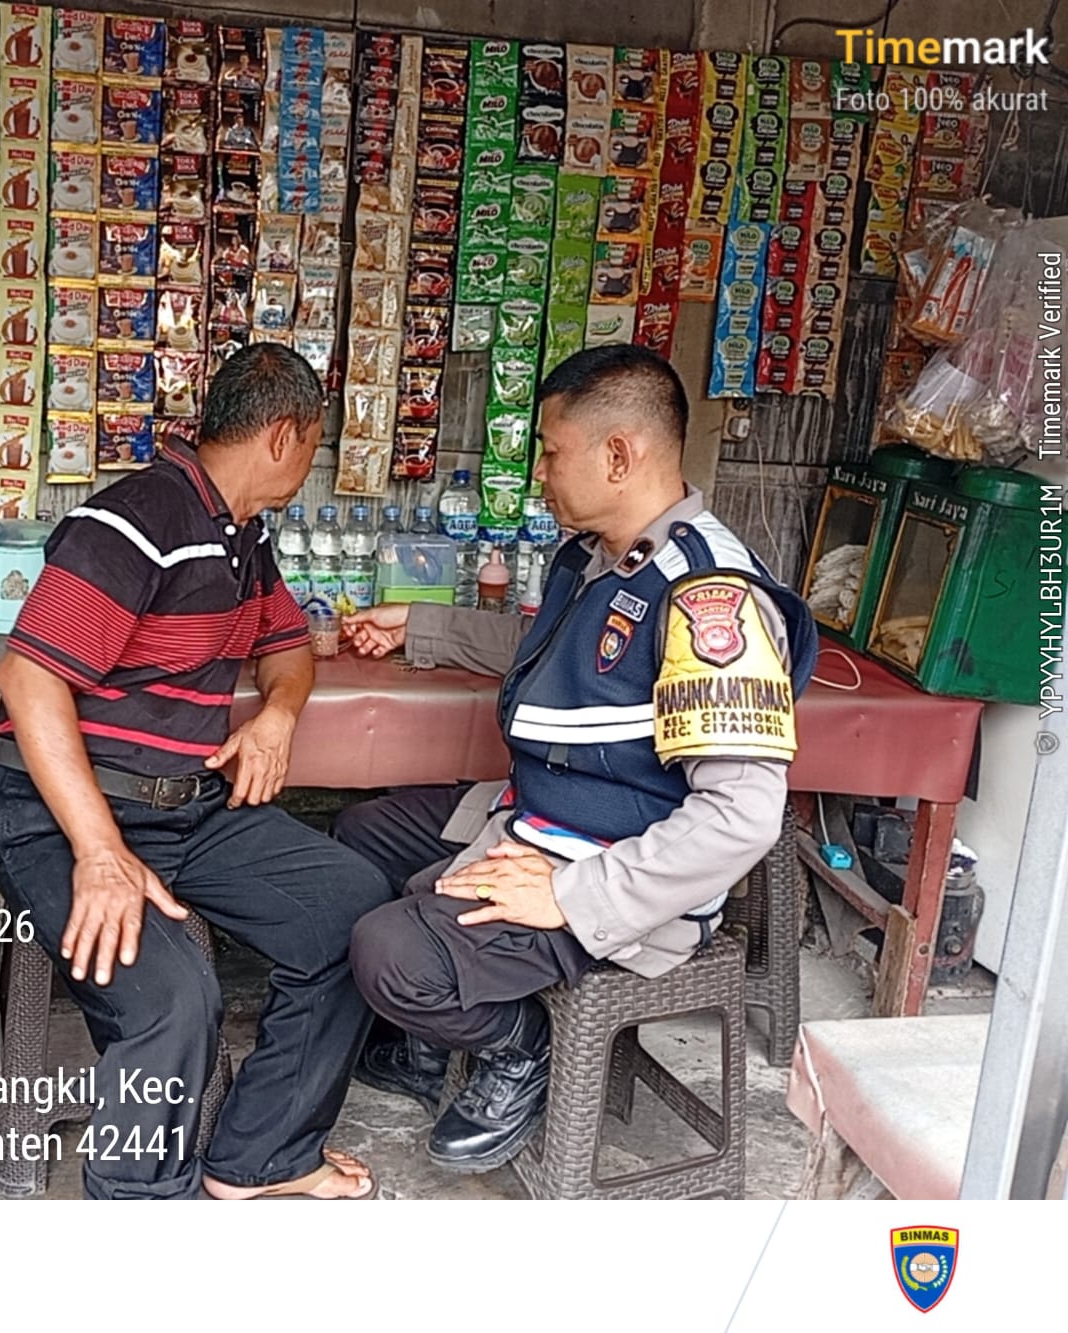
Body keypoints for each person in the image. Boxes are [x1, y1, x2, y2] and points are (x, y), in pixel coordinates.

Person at [336, 345, 819, 1174]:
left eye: (553, 453)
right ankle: (430, 1039)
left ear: (619, 455)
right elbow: (552, 650)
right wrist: (421, 625)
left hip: (616, 862)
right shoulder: (598, 557)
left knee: (390, 953)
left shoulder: (709, 600)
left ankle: (521, 1046)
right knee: (361, 835)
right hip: (545, 811)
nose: (541, 474)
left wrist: (568, 895)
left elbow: (741, 816)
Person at [0, 344, 390, 1201]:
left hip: (184, 807)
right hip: (57, 816)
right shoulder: (135, 520)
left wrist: (277, 716)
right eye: (316, 443)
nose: (312, 462)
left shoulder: (241, 536)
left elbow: (289, 650)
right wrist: (100, 853)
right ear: (285, 435)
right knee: (173, 998)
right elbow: (28, 677)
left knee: (352, 908)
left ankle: (261, 1158)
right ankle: (139, 1202)